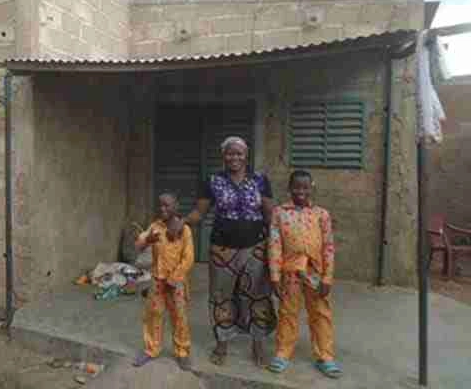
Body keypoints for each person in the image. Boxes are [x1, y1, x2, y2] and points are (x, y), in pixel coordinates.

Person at [185, 136, 276, 367]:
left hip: (255, 247)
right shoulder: (213, 180)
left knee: (258, 297)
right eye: (229, 153)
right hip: (222, 250)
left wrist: (283, 242)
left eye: (239, 153)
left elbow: (270, 215)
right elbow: (199, 212)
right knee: (220, 297)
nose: (234, 157)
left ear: (246, 155)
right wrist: (180, 222)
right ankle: (222, 343)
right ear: (223, 156)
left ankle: (258, 345)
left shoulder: (260, 180)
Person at [266, 170, 342, 379]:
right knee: (287, 312)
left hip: (316, 273)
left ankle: (325, 355)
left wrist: (327, 277)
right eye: (297, 187)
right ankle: (283, 352)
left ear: (312, 188)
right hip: (289, 272)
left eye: (305, 187)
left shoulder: (321, 214)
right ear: (289, 188)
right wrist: (274, 276)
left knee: (320, 313)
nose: (301, 191)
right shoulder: (279, 213)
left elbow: (328, 247)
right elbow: (274, 244)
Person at [133, 193, 195, 371]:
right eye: (160, 206)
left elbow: (188, 258)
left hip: (176, 283)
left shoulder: (185, 230)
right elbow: (138, 245)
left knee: (180, 317)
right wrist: (147, 241)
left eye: (167, 206)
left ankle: (182, 352)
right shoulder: (155, 226)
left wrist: (174, 278)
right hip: (157, 280)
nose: (163, 209)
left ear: (176, 206)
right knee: (153, 315)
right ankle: (151, 349)